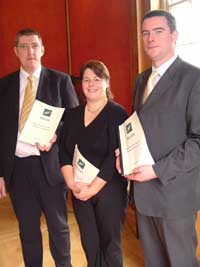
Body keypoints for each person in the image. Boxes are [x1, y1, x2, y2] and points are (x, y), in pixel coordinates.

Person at [116, 9, 200, 267]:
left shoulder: (193, 78)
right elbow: (138, 129)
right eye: (145, 33)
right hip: (143, 195)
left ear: (174, 36)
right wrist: (124, 154)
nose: (150, 38)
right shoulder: (141, 80)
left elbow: (198, 142)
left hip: (174, 195)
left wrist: (156, 170)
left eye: (158, 31)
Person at [0, 28, 79, 267]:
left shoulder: (60, 81)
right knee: (28, 231)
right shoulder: (3, 86)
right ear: (16, 51)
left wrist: (55, 135)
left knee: (59, 228)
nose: (29, 51)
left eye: (34, 45)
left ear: (42, 49)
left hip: (50, 169)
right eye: (23, 46)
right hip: (18, 171)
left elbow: (75, 123)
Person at [59, 60, 128, 267]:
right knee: (90, 244)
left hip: (109, 190)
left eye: (97, 79)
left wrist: (93, 188)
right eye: (86, 80)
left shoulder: (116, 113)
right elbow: (63, 152)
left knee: (110, 245)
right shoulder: (72, 115)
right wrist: (72, 184)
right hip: (80, 190)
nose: (91, 84)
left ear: (107, 82)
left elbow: (112, 157)